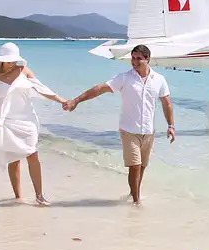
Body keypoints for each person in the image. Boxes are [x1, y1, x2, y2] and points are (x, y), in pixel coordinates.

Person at [63, 44, 174, 205]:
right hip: (129, 130)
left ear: (147, 60)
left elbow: (167, 103)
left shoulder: (159, 80)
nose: (134, 62)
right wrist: (76, 100)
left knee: (142, 166)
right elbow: (100, 89)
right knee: (134, 166)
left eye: (139, 59)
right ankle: (136, 202)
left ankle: (133, 193)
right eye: (133, 58)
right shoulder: (124, 78)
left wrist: (171, 126)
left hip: (149, 131)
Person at [0, 42, 67, 205]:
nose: (12, 63)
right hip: (7, 121)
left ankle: (39, 195)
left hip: (27, 120)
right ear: (0, 60)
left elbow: (43, 89)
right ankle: (18, 197)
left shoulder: (23, 71)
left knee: (32, 155)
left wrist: (61, 100)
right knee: (13, 158)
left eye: (14, 60)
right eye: (8, 60)